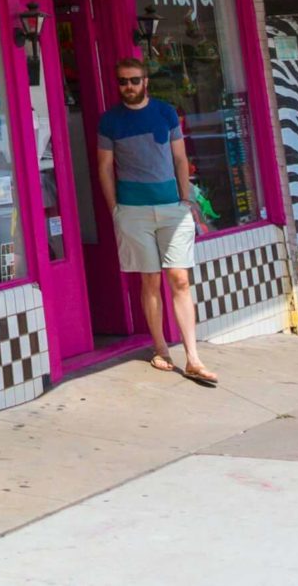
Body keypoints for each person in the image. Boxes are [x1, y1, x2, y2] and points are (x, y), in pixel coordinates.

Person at [95, 56, 214, 387]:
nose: (128, 87)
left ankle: (193, 356)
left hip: (172, 208)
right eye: (122, 81)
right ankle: (160, 348)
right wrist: (114, 208)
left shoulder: (164, 113)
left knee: (179, 279)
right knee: (149, 281)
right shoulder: (110, 121)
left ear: (145, 81)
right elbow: (104, 166)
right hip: (133, 211)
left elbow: (179, 157)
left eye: (134, 80)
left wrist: (185, 199)